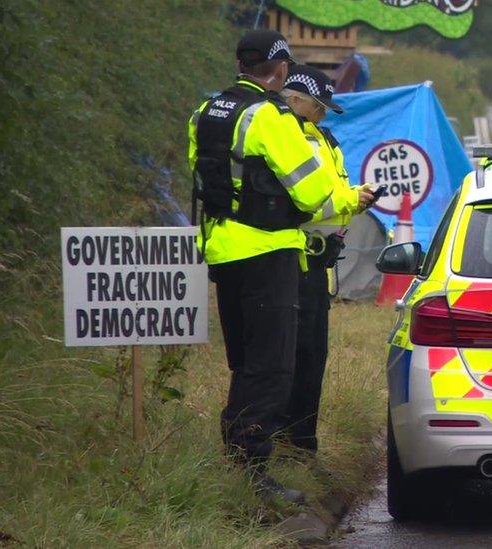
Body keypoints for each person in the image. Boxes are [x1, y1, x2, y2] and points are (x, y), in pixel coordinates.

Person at [187, 30, 339, 503]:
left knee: (245, 360)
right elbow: (314, 192)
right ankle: (251, 469)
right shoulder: (270, 117)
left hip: (221, 250)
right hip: (267, 251)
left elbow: (208, 175)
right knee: (272, 365)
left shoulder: (206, 111)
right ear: (279, 70)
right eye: (286, 67)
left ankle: (237, 462)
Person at [279, 65, 373, 455]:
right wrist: (353, 200)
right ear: (294, 100)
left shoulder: (323, 137)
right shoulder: (286, 137)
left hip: (319, 261)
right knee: (289, 353)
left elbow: (329, 193)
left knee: (313, 354)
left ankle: (302, 441)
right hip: (292, 258)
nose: (322, 115)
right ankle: (285, 439)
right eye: (318, 107)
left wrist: (354, 196)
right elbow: (305, 202)